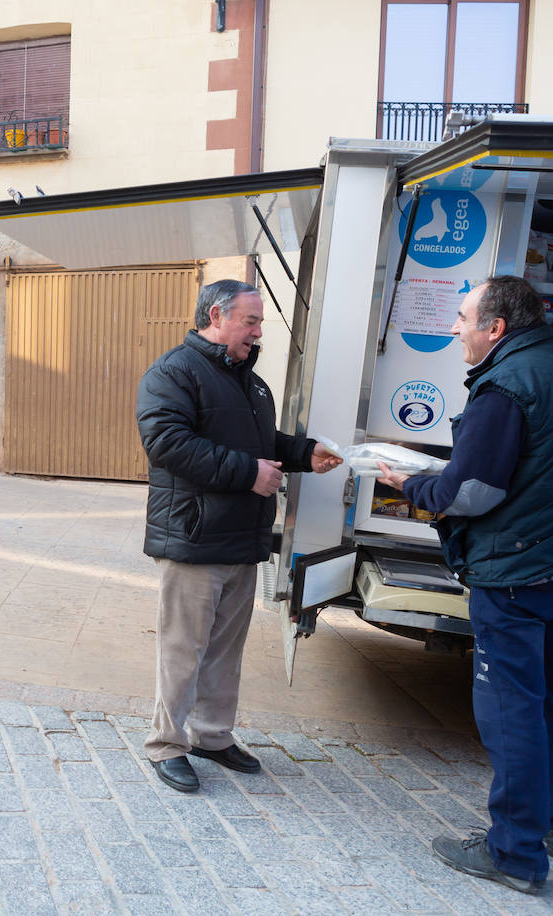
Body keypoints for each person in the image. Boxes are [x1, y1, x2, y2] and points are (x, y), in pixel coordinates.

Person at [377, 275, 553, 895]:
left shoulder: (505, 384)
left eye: (462, 317)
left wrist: (411, 485)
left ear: (496, 328)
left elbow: (472, 493)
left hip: (518, 572)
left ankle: (514, 853)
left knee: (512, 710)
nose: (455, 327)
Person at [135, 279, 341, 793]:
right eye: (250, 320)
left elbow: (260, 441)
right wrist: (248, 473)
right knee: (184, 649)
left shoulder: (250, 381)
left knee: (226, 650)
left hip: (239, 538)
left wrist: (303, 452)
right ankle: (167, 744)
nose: (258, 330)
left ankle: (212, 736)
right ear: (215, 316)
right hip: (193, 537)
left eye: (259, 321)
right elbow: (166, 443)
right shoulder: (174, 372)